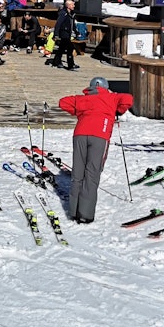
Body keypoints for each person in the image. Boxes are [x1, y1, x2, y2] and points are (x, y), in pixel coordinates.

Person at [59, 77, 134, 223]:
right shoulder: (111, 97)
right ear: (106, 87)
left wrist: (78, 111)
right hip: (100, 134)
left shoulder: (82, 99)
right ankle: (85, 214)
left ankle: (74, 211)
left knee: (78, 173)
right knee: (92, 173)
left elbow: (63, 102)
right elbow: (128, 99)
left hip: (80, 134)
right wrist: (117, 110)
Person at [49, 0, 77, 70]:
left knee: (61, 48)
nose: (74, 6)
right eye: (72, 5)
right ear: (68, 6)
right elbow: (58, 24)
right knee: (70, 48)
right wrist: (56, 34)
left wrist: (76, 31)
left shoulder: (72, 13)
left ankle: (56, 62)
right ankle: (71, 65)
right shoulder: (63, 13)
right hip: (63, 33)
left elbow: (72, 24)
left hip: (68, 33)